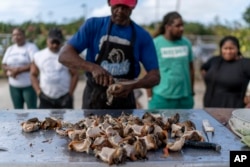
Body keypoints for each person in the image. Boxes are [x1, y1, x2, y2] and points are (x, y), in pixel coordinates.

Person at [58, 0, 160, 109]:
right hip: (94, 98)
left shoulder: (142, 36)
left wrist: (133, 85)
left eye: (125, 7)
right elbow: (64, 55)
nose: (120, 11)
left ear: (133, 6)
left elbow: (155, 76)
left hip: (125, 100)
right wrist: (92, 67)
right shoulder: (93, 25)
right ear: (109, 2)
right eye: (117, 5)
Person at [147, 11, 195, 109]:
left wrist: (191, 91)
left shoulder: (186, 43)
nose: (182, 29)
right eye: (178, 26)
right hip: (161, 99)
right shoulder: (155, 43)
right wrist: (149, 96)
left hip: (185, 99)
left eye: (182, 25)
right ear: (168, 27)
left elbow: (191, 69)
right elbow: (148, 71)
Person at [30, 28, 79, 109]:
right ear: (47, 41)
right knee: (44, 121)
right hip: (46, 97)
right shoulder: (38, 55)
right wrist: (39, 92)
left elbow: (75, 74)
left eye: (57, 42)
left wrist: (70, 93)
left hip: (64, 97)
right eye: (53, 42)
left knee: (67, 121)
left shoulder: (67, 55)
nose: (55, 45)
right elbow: (33, 74)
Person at [200, 35, 250, 108]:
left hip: (233, 107)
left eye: (231, 48)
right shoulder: (214, 60)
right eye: (225, 48)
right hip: (210, 106)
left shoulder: (245, 63)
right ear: (221, 49)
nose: (228, 51)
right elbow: (203, 69)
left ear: (237, 49)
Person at [1, 28, 38, 109]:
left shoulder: (31, 47)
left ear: (24, 36)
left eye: (18, 34)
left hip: (29, 85)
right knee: (17, 110)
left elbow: (34, 63)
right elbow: (4, 64)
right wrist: (11, 71)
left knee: (32, 109)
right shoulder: (10, 49)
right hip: (14, 86)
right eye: (14, 35)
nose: (16, 37)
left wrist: (18, 70)